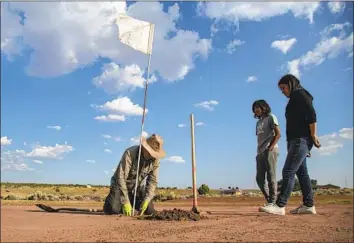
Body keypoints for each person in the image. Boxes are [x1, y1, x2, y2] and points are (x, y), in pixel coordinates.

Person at [261, 74, 321, 216]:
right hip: (297, 140)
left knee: (288, 171)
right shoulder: (296, 97)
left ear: (291, 84)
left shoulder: (300, 94)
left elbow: (312, 114)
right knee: (302, 173)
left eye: (283, 88)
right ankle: (309, 205)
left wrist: (312, 136)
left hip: (301, 139)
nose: (282, 91)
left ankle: (280, 205)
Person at [103, 134, 166, 216]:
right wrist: (125, 201)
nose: (153, 156)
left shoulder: (155, 161)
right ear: (145, 148)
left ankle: (130, 202)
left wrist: (147, 199)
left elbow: (152, 181)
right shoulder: (130, 153)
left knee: (149, 211)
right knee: (113, 209)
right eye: (151, 152)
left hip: (135, 189)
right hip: (119, 186)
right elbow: (120, 177)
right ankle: (114, 203)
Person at [252, 100, 281, 211]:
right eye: (254, 108)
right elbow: (259, 138)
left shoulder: (271, 117)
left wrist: (271, 146)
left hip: (270, 150)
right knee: (259, 178)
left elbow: (278, 134)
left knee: (271, 176)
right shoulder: (258, 123)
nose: (256, 110)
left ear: (263, 107)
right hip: (260, 152)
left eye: (257, 107)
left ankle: (272, 202)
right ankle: (270, 201)